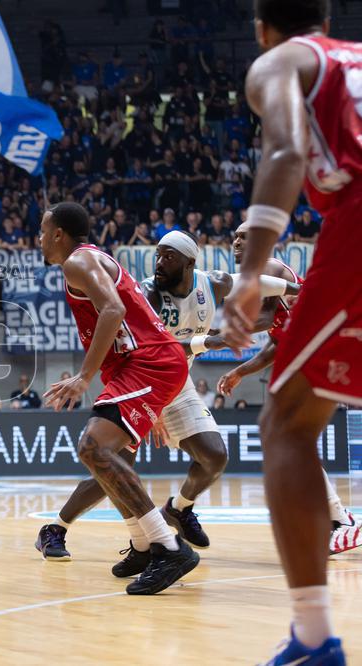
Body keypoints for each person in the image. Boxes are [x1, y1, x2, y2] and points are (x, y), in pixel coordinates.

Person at [221, 2, 361, 661]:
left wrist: (250, 273)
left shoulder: (283, 60)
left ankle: (312, 638)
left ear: (262, 28)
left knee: (285, 423)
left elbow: (285, 147)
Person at [38, 230, 298, 567]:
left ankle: (178, 509)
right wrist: (208, 344)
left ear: (189, 263)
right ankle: (57, 529)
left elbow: (253, 282)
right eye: (157, 255)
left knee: (214, 457)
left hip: (178, 379)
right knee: (114, 467)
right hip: (146, 376)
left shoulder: (211, 284)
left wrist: (297, 289)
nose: (159, 263)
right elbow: (160, 349)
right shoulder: (148, 293)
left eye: (168, 257)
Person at [36, 202, 197, 595]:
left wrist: (82, 377)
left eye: (43, 231)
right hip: (138, 368)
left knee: (92, 447)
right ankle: (142, 546)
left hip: (149, 363)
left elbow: (114, 309)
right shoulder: (89, 262)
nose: (38, 239)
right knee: (116, 459)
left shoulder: (78, 260)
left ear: (59, 234)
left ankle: (169, 546)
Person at [219, 223, 360, 559]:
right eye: (235, 237)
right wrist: (240, 370)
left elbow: (265, 317)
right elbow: (275, 342)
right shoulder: (265, 282)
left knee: (286, 434)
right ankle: (338, 518)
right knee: (286, 435)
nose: (237, 241)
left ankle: (340, 520)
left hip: (333, 343)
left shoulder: (267, 266)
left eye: (245, 236)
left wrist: (217, 324)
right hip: (320, 349)